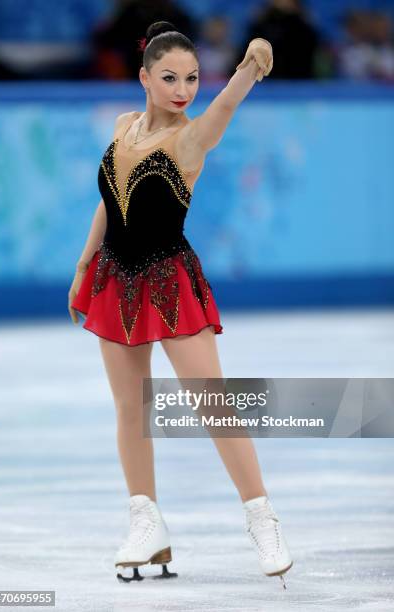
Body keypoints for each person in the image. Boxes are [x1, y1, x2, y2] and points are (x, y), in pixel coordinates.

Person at [68, 20, 293, 587]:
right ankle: (147, 523)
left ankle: (261, 516)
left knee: (212, 404)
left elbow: (226, 107)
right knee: (129, 408)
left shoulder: (190, 138)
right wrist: (82, 266)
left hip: (169, 282)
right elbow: (109, 199)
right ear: (144, 77)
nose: (182, 89)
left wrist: (250, 65)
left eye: (192, 78)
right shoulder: (123, 127)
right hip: (114, 280)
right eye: (169, 77)